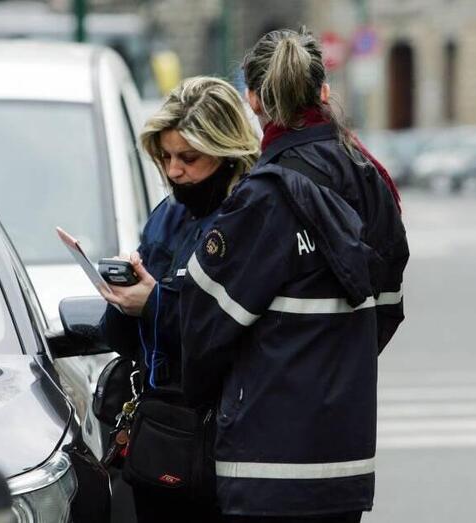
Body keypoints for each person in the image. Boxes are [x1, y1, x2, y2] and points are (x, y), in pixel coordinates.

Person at [178, 27, 409, 522]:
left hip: (262, 462)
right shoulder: (372, 182)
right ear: (324, 93)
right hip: (345, 458)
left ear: (252, 99)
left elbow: (201, 327)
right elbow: (386, 312)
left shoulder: (262, 198)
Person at [98, 76, 260, 523]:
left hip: (225, 441)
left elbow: (226, 331)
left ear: (227, 152)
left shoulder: (248, 217)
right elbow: (133, 338)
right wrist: (121, 296)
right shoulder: (168, 215)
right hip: (163, 433)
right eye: (166, 157)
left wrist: (152, 303)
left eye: (189, 158)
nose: (174, 171)